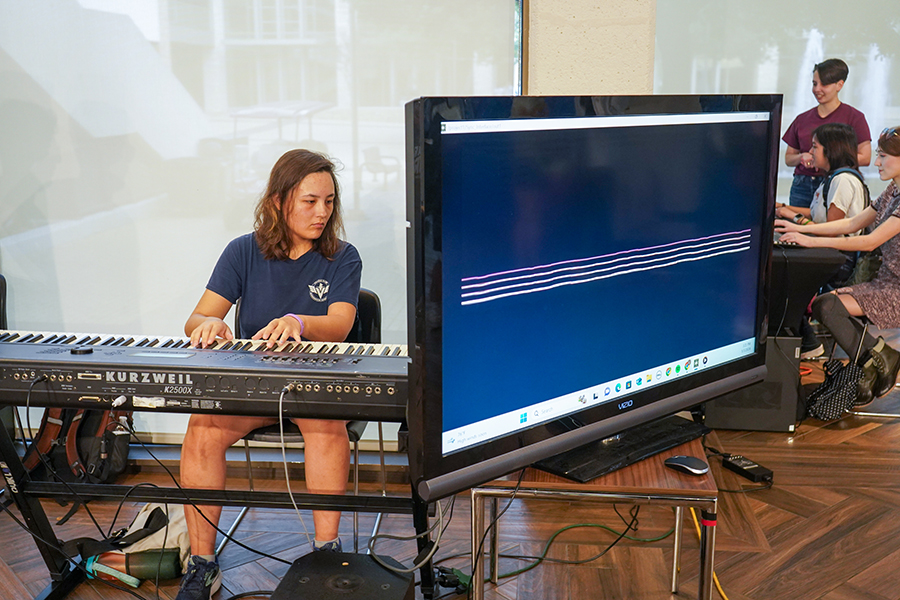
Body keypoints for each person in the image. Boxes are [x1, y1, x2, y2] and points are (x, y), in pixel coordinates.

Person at [175, 149, 362, 600]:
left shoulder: (343, 257)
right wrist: (210, 326)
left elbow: (340, 322)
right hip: (255, 388)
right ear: (279, 202)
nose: (322, 213)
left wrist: (299, 323)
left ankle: (325, 552)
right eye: (310, 202)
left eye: (329, 202)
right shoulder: (244, 250)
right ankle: (202, 563)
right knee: (203, 427)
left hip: (313, 388)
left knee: (326, 425)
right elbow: (196, 318)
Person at [775, 126, 900, 407]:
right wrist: (801, 229)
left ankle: (875, 360)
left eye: (883, 156)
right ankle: (874, 360)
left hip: (896, 290)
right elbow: (851, 224)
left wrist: (808, 240)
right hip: (885, 281)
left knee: (827, 307)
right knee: (823, 305)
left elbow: (869, 242)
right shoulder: (892, 190)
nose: (876, 162)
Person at [776, 122, 871, 358]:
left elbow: (830, 230)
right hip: (833, 254)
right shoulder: (833, 179)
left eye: (815, 147)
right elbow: (819, 215)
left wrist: (795, 219)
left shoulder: (842, 181)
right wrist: (784, 209)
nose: (811, 152)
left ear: (830, 150)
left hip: (839, 261)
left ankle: (808, 342)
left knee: (783, 280)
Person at [782, 58, 871, 209]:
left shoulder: (854, 117)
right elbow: (789, 159)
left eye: (824, 84)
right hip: (802, 184)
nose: (817, 89)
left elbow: (865, 157)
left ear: (839, 85)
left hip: (837, 184)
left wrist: (827, 158)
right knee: (796, 227)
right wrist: (801, 157)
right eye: (815, 83)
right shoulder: (802, 119)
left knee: (830, 228)